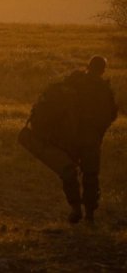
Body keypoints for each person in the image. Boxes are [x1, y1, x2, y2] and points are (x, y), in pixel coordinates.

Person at [19, 57, 118, 223]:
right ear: (103, 70)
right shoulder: (105, 90)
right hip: (91, 139)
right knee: (91, 175)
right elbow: (110, 116)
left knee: (68, 172)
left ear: (88, 66)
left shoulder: (73, 83)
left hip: (69, 137)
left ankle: (75, 208)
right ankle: (90, 215)